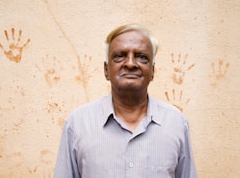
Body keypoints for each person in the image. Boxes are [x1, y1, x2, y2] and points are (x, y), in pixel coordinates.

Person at [54, 24, 197, 178]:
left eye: (142, 57)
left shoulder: (176, 123)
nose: (130, 64)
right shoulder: (78, 124)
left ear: (152, 71)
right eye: (120, 56)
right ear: (106, 70)